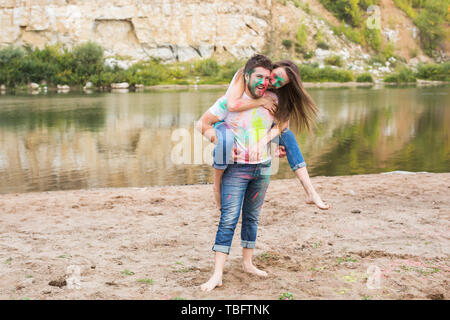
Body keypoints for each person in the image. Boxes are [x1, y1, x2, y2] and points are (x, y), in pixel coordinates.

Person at [195, 54, 277, 292]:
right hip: (236, 170)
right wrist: (219, 139)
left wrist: (276, 142)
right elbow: (203, 124)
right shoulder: (229, 101)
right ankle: (217, 274)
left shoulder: (273, 101)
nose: (263, 81)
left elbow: (283, 125)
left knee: (252, 217)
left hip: (263, 168)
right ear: (247, 76)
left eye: (267, 78)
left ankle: (248, 263)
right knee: (228, 219)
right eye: (259, 76)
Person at [211, 60, 330, 211]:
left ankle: (311, 192)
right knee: (225, 142)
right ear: (274, 66)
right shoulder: (246, 73)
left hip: (252, 127)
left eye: (280, 82)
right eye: (276, 75)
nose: (274, 82)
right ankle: (216, 187)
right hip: (227, 123)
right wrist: (262, 101)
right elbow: (232, 105)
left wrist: (266, 142)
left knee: (287, 135)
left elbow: (283, 124)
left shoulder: (274, 92)